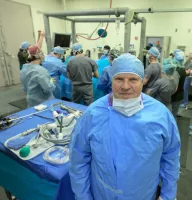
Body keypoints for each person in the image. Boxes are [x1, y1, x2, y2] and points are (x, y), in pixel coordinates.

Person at [69, 53, 181, 200]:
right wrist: (83, 196)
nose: (126, 86)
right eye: (119, 79)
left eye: (133, 79)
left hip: (143, 193)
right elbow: (78, 159)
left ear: (142, 81)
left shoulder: (161, 115)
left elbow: (171, 157)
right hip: (103, 193)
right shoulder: (93, 114)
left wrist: (167, 195)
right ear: (111, 79)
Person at [171, 50, 189, 117]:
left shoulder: (176, 71)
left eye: (173, 56)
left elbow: (174, 87)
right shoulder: (182, 69)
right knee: (175, 112)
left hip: (175, 96)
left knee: (172, 116)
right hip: (179, 95)